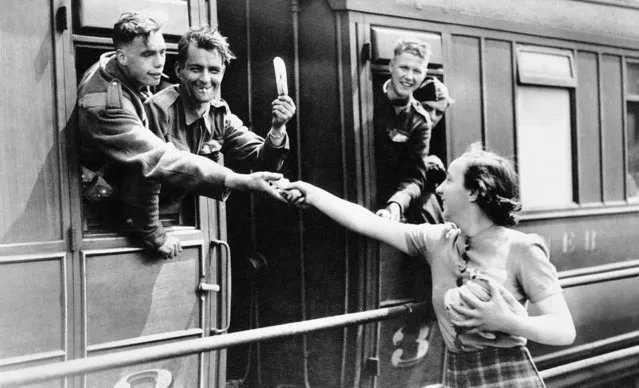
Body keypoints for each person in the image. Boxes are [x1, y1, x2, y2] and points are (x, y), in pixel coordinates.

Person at [284, 143, 576, 387]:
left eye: (449, 180)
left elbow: (564, 329)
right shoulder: (437, 240)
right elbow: (367, 222)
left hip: (507, 376)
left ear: (474, 192)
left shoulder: (522, 249)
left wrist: (508, 322)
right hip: (456, 373)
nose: (438, 189)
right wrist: (312, 193)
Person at [76, 13, 290, 258]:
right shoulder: (113, 105)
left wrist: (278, 128)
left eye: (161, 52)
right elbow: (154, 165)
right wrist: (155, 235)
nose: (158, 63)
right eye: (148, 54)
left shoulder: (215, 111)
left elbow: (262, 159)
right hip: (103, 218)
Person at [374, 37, 454, 224]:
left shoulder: (420, 121)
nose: (409, 77)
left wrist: (396, 205)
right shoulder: (367, 98)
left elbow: (414, 178)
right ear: (391, 66)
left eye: (417, 71)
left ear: (424, 74)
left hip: (387, 207)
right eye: (404, 67)